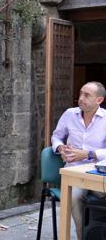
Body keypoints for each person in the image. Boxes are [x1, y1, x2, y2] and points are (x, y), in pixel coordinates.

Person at [51, 81, 106, 239]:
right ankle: (83, 236)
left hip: (97, 174)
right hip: (73, 175)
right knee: (74, 196)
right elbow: (56, 136)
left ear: (99, 100)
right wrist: (60, 148)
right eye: (81, 93)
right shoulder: (70, 114)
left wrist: (88, 154)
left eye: (87, 95)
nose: (81, 98)